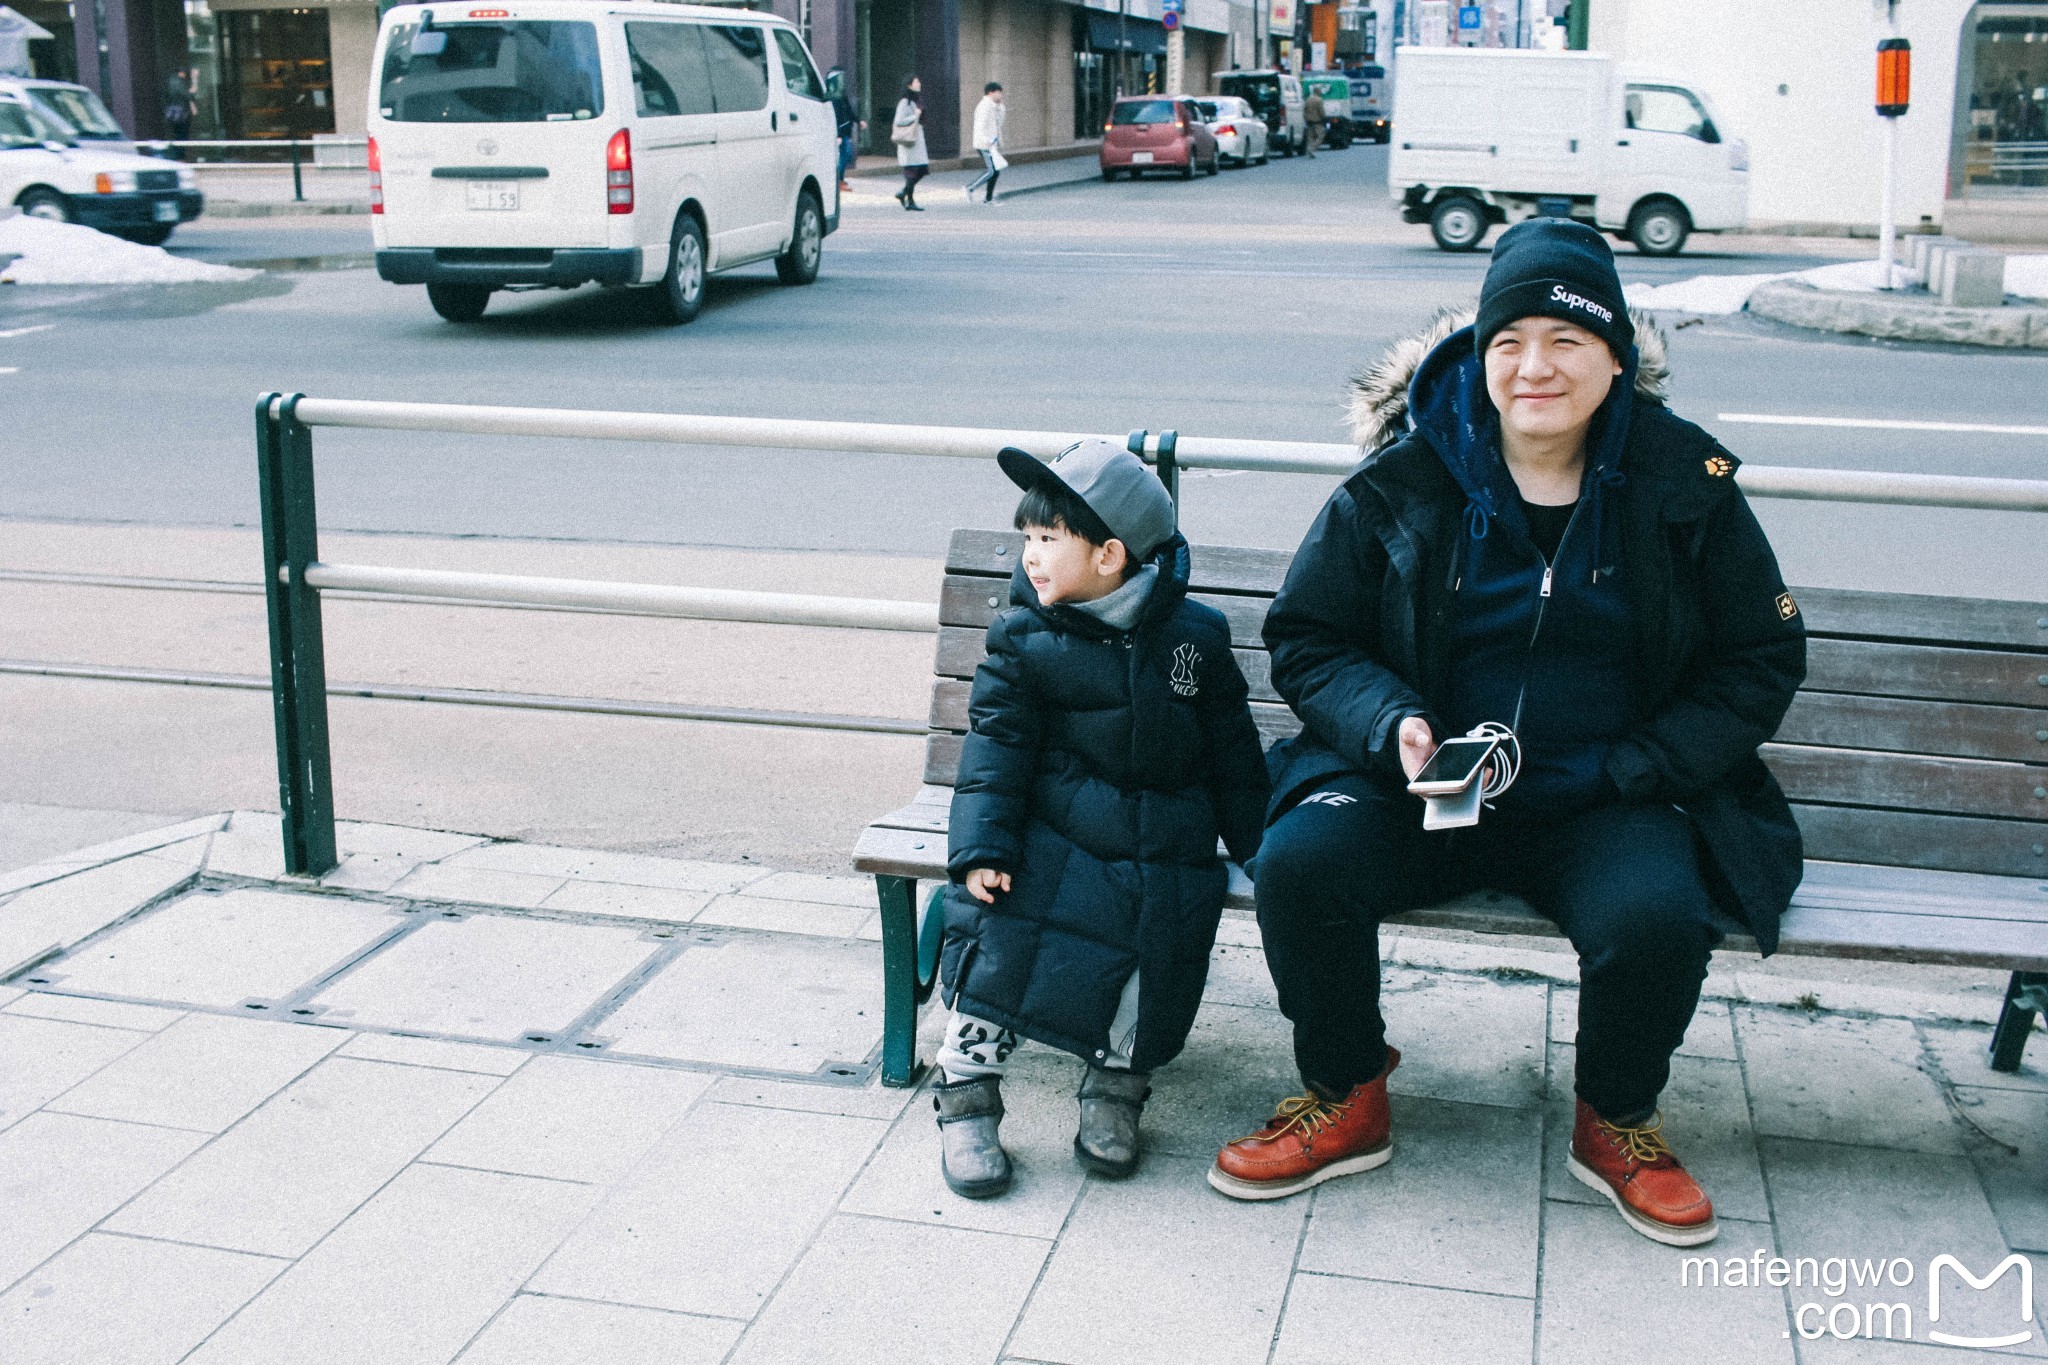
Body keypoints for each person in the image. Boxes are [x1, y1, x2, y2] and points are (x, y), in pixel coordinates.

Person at [1209, 218, 1806, 1248]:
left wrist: (1637, 766)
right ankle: (1346, 1091)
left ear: (1612, 357)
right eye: (1508, 341)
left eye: (1566, 340)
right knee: (1299, 863)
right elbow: (1306, 639)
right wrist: (1386, 720)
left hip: (1603, 793)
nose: (1534, 367)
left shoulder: (1682, 486)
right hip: (1423, 788)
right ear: (1479, 354)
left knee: (1657, 918)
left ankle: (1613, 1119)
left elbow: (1758, 659)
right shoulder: (1404, 478)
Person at [934, 440, 1269, 1199]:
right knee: (1006, 925)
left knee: (1162, 934)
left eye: (1049, 539)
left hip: (1164, 833)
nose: (1031, 557)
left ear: (1111, 554)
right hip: (1055, 823)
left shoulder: (1194, 638)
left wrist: (1263, 847)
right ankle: (966, 1091)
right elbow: (996, 747)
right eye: (1027, 539)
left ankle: (1116, 1086)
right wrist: (982, 846)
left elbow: (1233, 753)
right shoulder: (1023, 638)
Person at [891, 76, 929, 211]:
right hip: (909, 139)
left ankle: (904, 193)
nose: (919, 83)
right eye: (916, 81)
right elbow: (899, 121)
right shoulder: (905, 102)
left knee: (922, 169)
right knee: (912, 170)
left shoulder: (917, 99)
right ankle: (910, 200)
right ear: (909, 85)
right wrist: (915, 116)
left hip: (917, 137)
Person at [965, 81, 1005, 204]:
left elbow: (1000, 123)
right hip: (984, 144)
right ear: (991, 92)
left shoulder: (994, 106)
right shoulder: (984, 106)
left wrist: (1000, 108)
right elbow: (980, 126)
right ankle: (970, 188)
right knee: (992, 171)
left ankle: (988, 198)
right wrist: (987, 141)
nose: (1001, 96)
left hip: (991, 145)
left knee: (996, 171)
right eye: (999, 93)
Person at [826, 67, 861, 195]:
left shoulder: (842, 95)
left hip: (846, 129)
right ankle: (838, 181)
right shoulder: (833, 97)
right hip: (840, 132)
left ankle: (840, 179)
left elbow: (849, 111)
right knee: (844, 154)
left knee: (847, 155)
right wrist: (838, 134)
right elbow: (835, 117)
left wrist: (858, 120)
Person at [1302, 84, 1325, 157]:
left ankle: (1309, 148)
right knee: (1320, 135)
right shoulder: (1319, 100)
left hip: (1308, 120)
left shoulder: (1308, 99)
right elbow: (1321, 111)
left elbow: (1304, 110)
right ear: (1318, 91)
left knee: (1310, 136)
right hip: (1317, 121)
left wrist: (1305, 118)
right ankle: (1312, 148)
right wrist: (1324, 118)